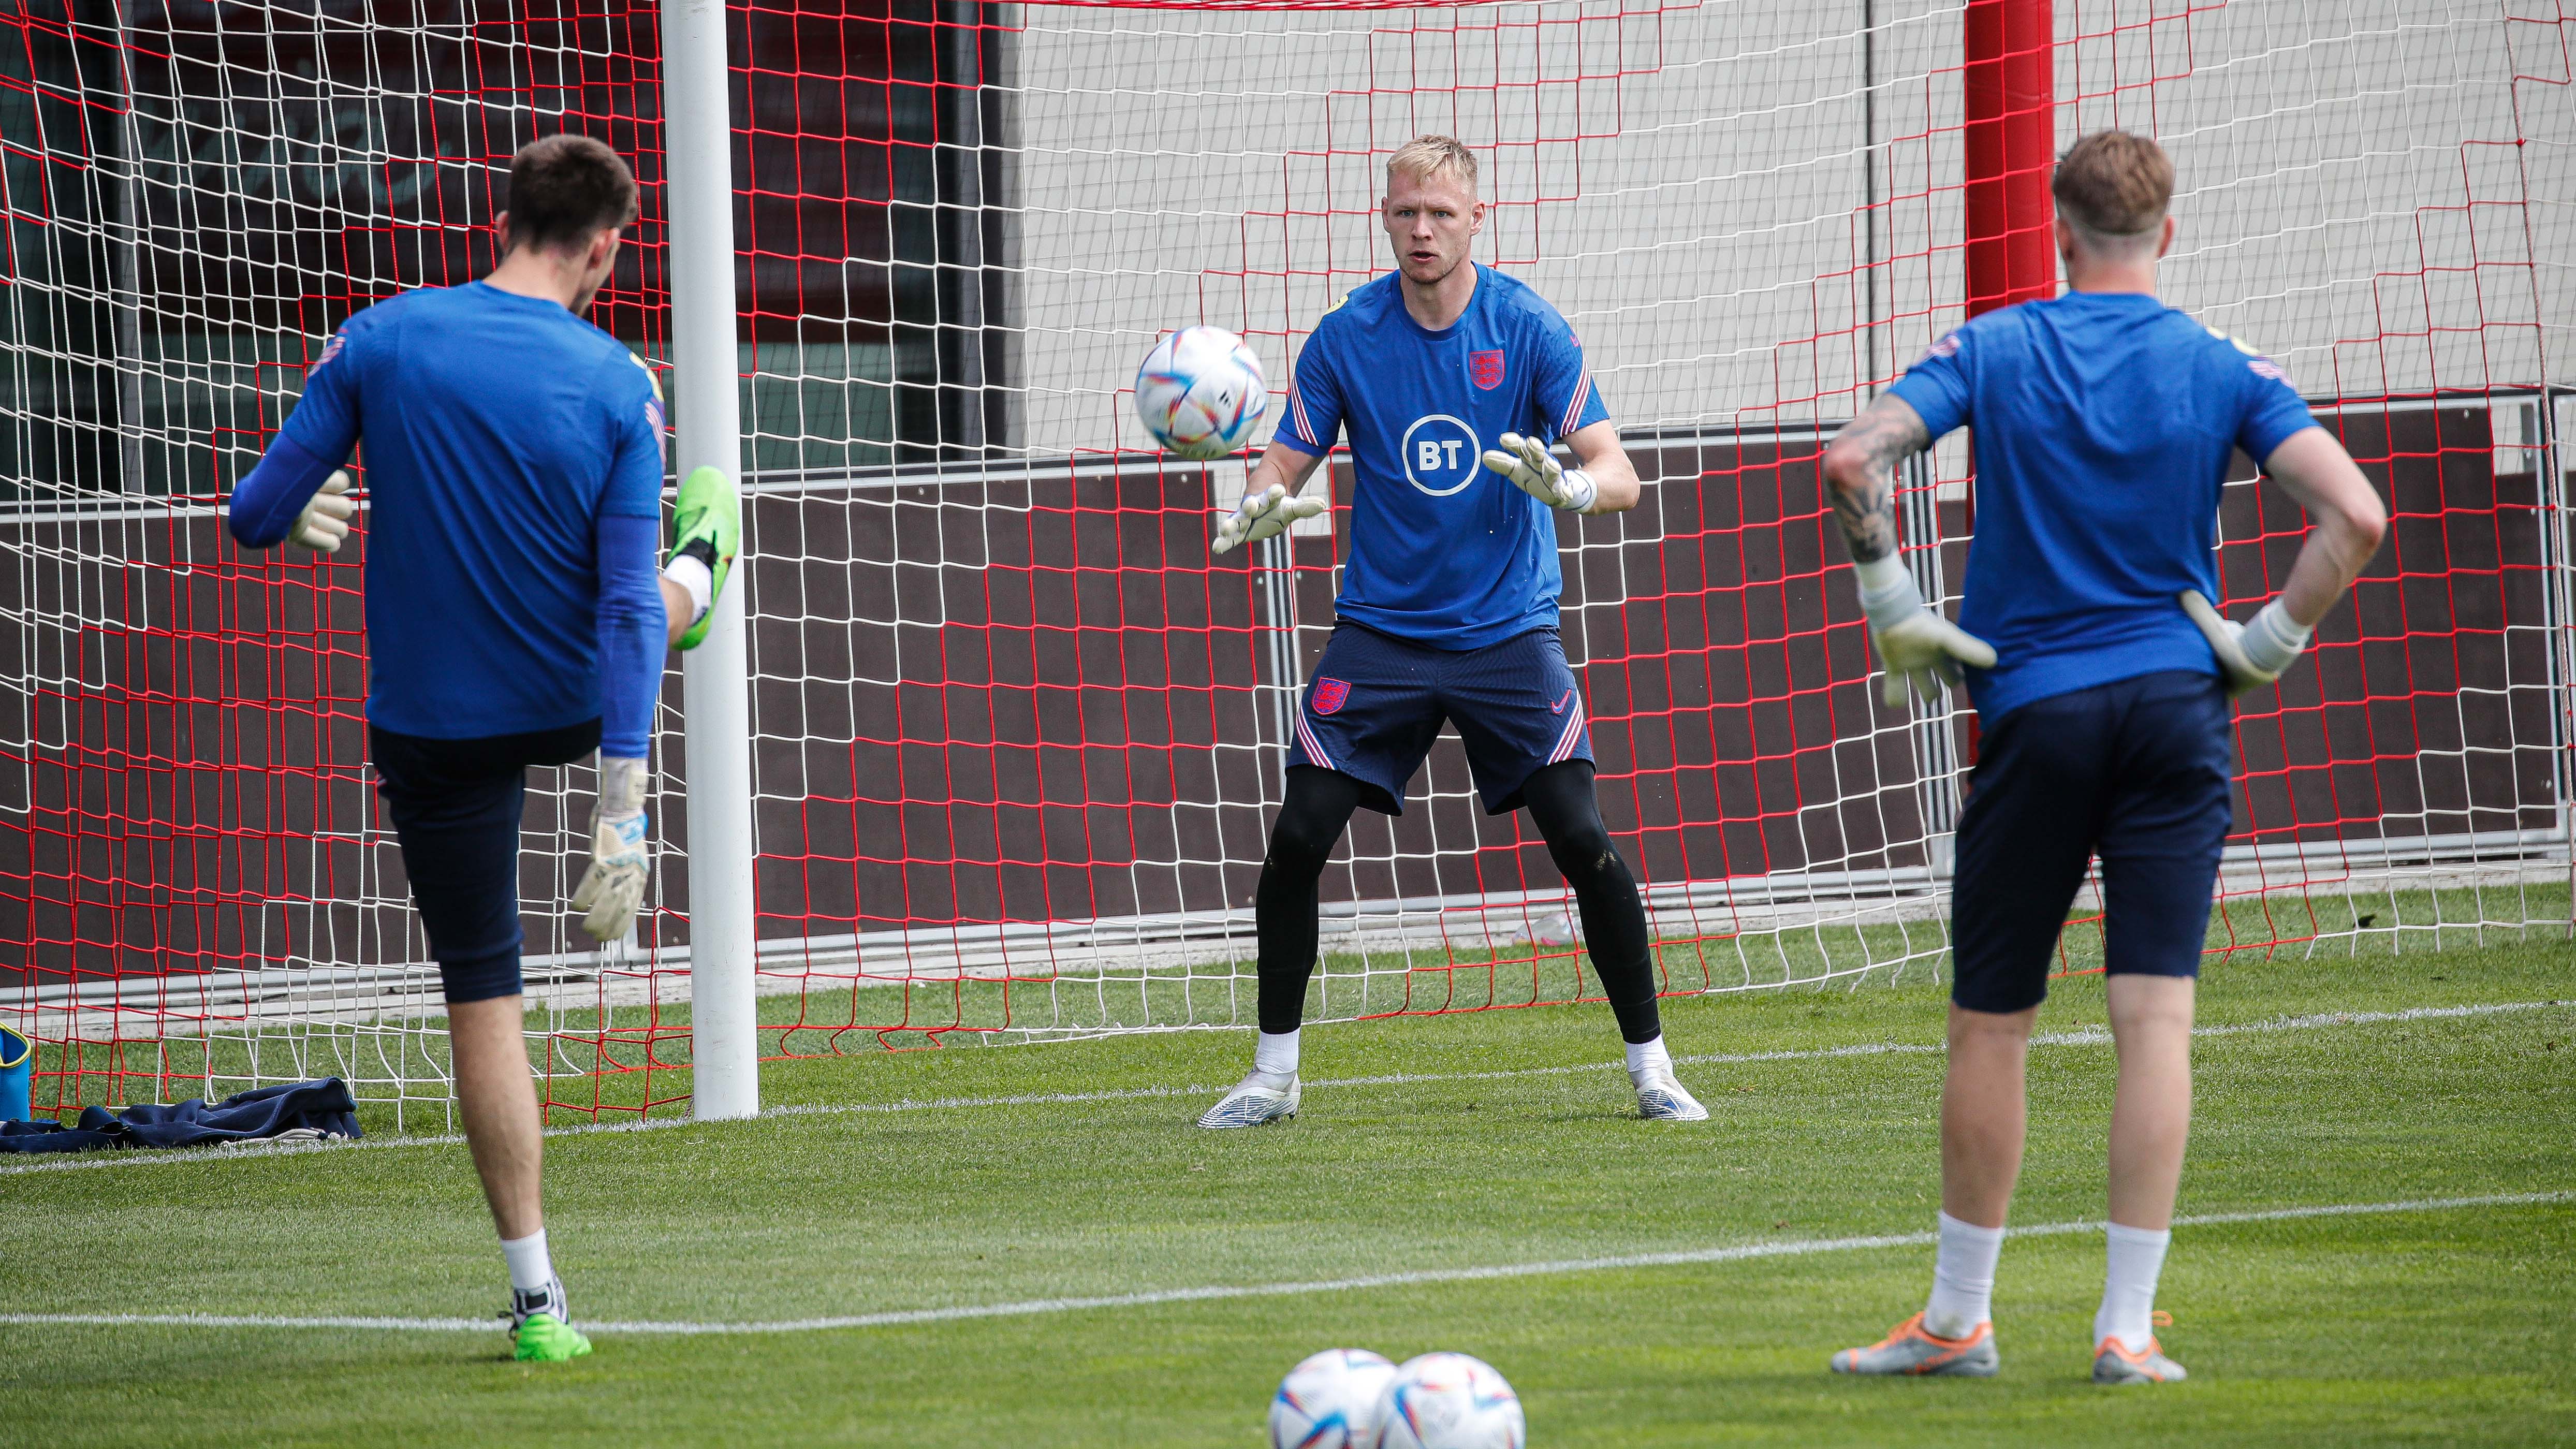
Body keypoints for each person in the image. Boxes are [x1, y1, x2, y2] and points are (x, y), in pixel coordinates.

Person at [1821, 131, 2386, 1383]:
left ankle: (1959, 1317)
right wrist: (2270, 639)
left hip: (2037, 708)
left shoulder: (1999, 344)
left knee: (1990, 1023)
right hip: (2180, 709)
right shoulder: (2221, 363)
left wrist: (1892, 601)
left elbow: (1853, 458)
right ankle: (2125, 1328)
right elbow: (2356, 514)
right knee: (2156, 1017)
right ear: (2166, 234)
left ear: (2057, 231)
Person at [223, 134, 742, 1362]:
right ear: (606, 246)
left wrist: (299, 503)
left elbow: (250, 513)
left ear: (501, 220)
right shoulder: (620, 381)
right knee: (655, 588)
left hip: (434, 723)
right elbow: (617, 612)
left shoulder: (381, 337)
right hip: (571, 693)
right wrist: (625, 800)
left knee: (484, 997)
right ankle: (704, 565)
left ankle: (536, 1299)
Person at [1197, 135, 1706, 1130]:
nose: (1421, 229)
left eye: (1440, 213)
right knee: (1298, 835)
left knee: (1582, 835)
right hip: (1381, 632)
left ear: (1478, 218)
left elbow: (1620, 472)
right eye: (1404, 213)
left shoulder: (1527, 328)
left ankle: (1653, 1069)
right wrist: (1255, 505)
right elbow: (1284, 466)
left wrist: (1569, 485)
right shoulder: (1346, 337)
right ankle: (1272, 1076)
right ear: (1384, 219)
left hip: (1508, 632)